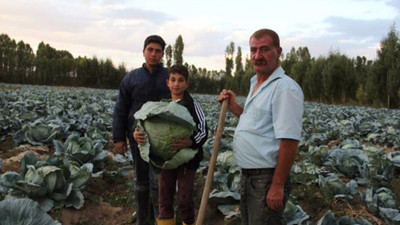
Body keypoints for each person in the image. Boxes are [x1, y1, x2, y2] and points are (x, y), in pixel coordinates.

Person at [217, 29, 304, 225]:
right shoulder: (256, 83)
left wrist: (277, 185)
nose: (258, 56)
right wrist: (234, 107)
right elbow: (257, 123)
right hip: (250, 177)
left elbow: (289, 140)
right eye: (253, 50)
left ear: (278, 51)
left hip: (266, 178)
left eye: (264, 49)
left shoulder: (284, 88)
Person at [134, 64, 208, 225]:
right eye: (173, 80)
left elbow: (204, 130)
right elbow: (144, 123)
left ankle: (188, 221)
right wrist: (137, 133)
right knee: (164, 199)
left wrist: (191, 141)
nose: (176, 84)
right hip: (165, 160)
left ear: (187, 84)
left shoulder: (193, 106)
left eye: (181, 80)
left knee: (184, 199)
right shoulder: (162, 104)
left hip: (188, 161)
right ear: (167, 82)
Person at [112, 35, 170, 225]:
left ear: (163, 54)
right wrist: (119, 138)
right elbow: (121, 108)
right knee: (142, 181)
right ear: (144, 51)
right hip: (138, 139)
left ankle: (160, 219)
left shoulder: (169, 78)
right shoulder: (132, 77)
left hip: (161, 142)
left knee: (159, 183)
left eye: (158, 51)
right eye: (150, 50)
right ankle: (143, 220)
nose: (154, 54)